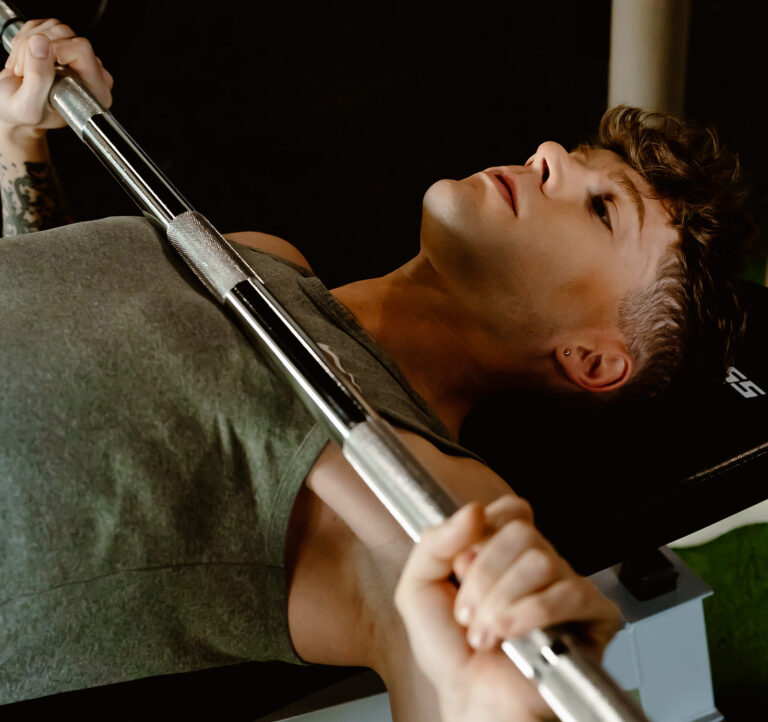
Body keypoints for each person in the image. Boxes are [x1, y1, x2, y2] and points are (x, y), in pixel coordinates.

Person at [0, 19, 750, 721]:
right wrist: (19, 141)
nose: (547, 151)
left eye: (600, 209)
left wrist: (491, 698)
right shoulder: (266, 259)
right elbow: (63, 329)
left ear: (591, 358)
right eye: (574, 163)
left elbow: (435, 660)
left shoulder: (417, 487)